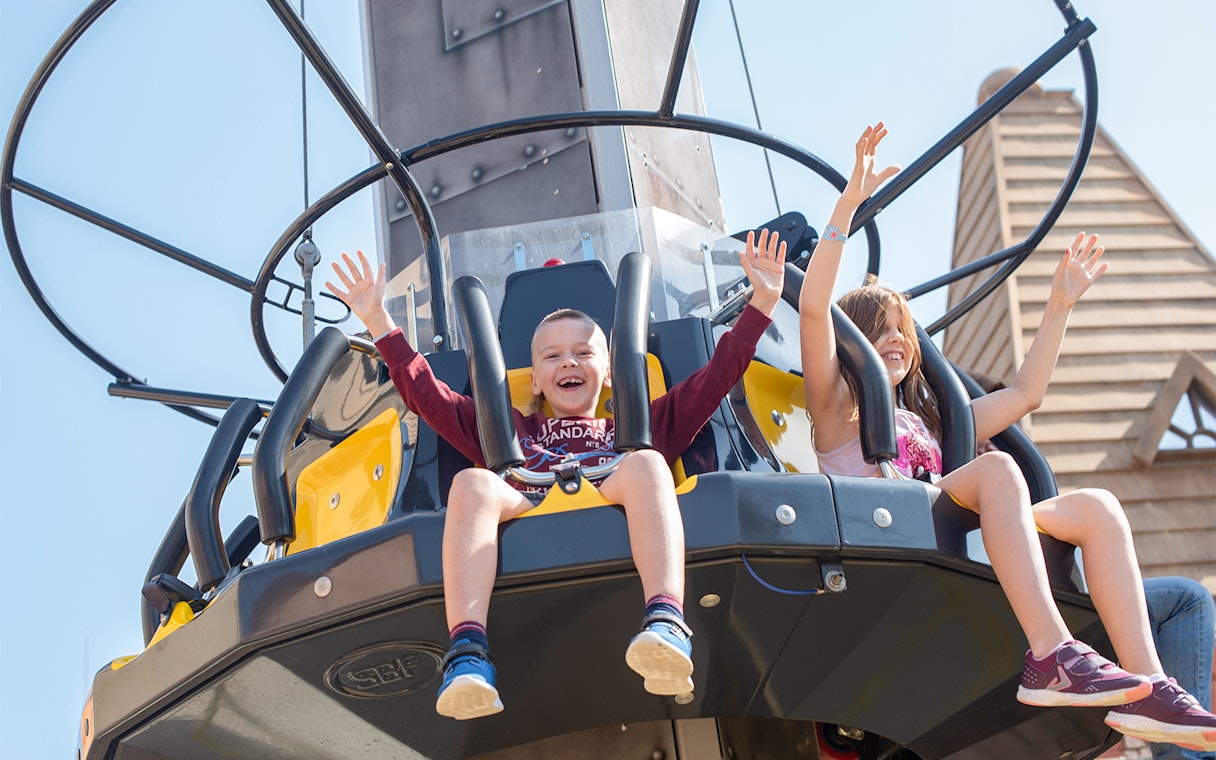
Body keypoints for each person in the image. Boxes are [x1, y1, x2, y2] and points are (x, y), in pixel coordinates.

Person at [796, 122, 1216, 752]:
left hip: (950, 540)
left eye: (903, 331)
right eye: (876, 328)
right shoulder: (838, 414)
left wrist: (1058, 306)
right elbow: (811, 308)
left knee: (1097, 507)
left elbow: (1024, 395)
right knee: (996, 473)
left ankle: (1150, 686)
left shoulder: (933, 425)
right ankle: (1052, 654)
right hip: (889, 544)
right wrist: (846, 208)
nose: (896, 339)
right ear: (852, 341)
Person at [326, 234, 787, 720]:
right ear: (538, 379)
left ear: (608, 371)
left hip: (611, 491)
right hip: (531, 501)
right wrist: (379, 320)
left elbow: (715, 379)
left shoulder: (635, 424)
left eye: (583, 352)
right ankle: (467, 654)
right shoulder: (510, 432)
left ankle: (666, 620)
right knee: (471, 482)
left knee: (649, 461)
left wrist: (763, 302)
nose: (568, 361)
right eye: (552, 356)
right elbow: (428, 396)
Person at [971, 373, 1216, 760]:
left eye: (1003, 432)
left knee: (1188, 598)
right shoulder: (965, 467)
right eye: (988, 427)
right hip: (989, 597)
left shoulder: (1018, 478)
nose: (993, 440)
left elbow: (1027, 393)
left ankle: (1167, 720)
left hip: (1061, 594)